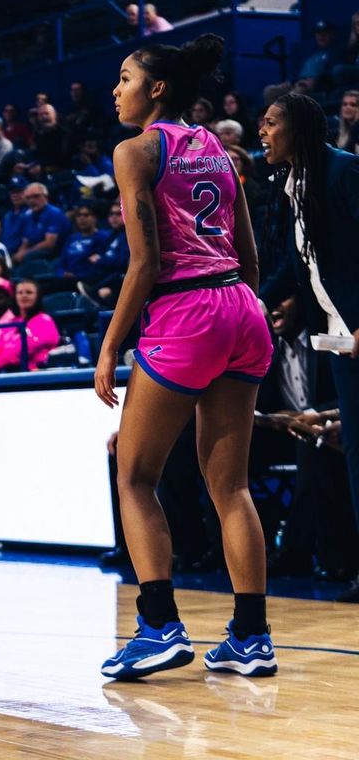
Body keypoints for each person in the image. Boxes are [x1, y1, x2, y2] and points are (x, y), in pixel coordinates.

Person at [96, 34, 276, 680]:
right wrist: (236, 315)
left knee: (135, 474)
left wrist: (110, 348)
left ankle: (157, 625)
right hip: (241, 308)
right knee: (232, 487)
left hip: (186, 311)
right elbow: (250, 257)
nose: (116, 90)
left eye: (124, 79)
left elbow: (145, 262)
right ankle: (251, 636)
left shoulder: (136, 150)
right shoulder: (222, 155)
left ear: (157, 89)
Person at [256, 92, 359, 602]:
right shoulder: (294, 186)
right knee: (355, 456)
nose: (262, 131)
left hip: (356, 331)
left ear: (297, 128)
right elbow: (300, 267)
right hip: (338, 340)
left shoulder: (345, 172)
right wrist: (251, 302)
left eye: (271, 122)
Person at [0, 279, 60, 372]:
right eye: (20, 293)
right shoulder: (13, 323)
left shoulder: (44, 321)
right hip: (7, 372)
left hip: (35, 374)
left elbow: (21, 351)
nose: (24, 295)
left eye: (29, 292)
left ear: (37, 297)